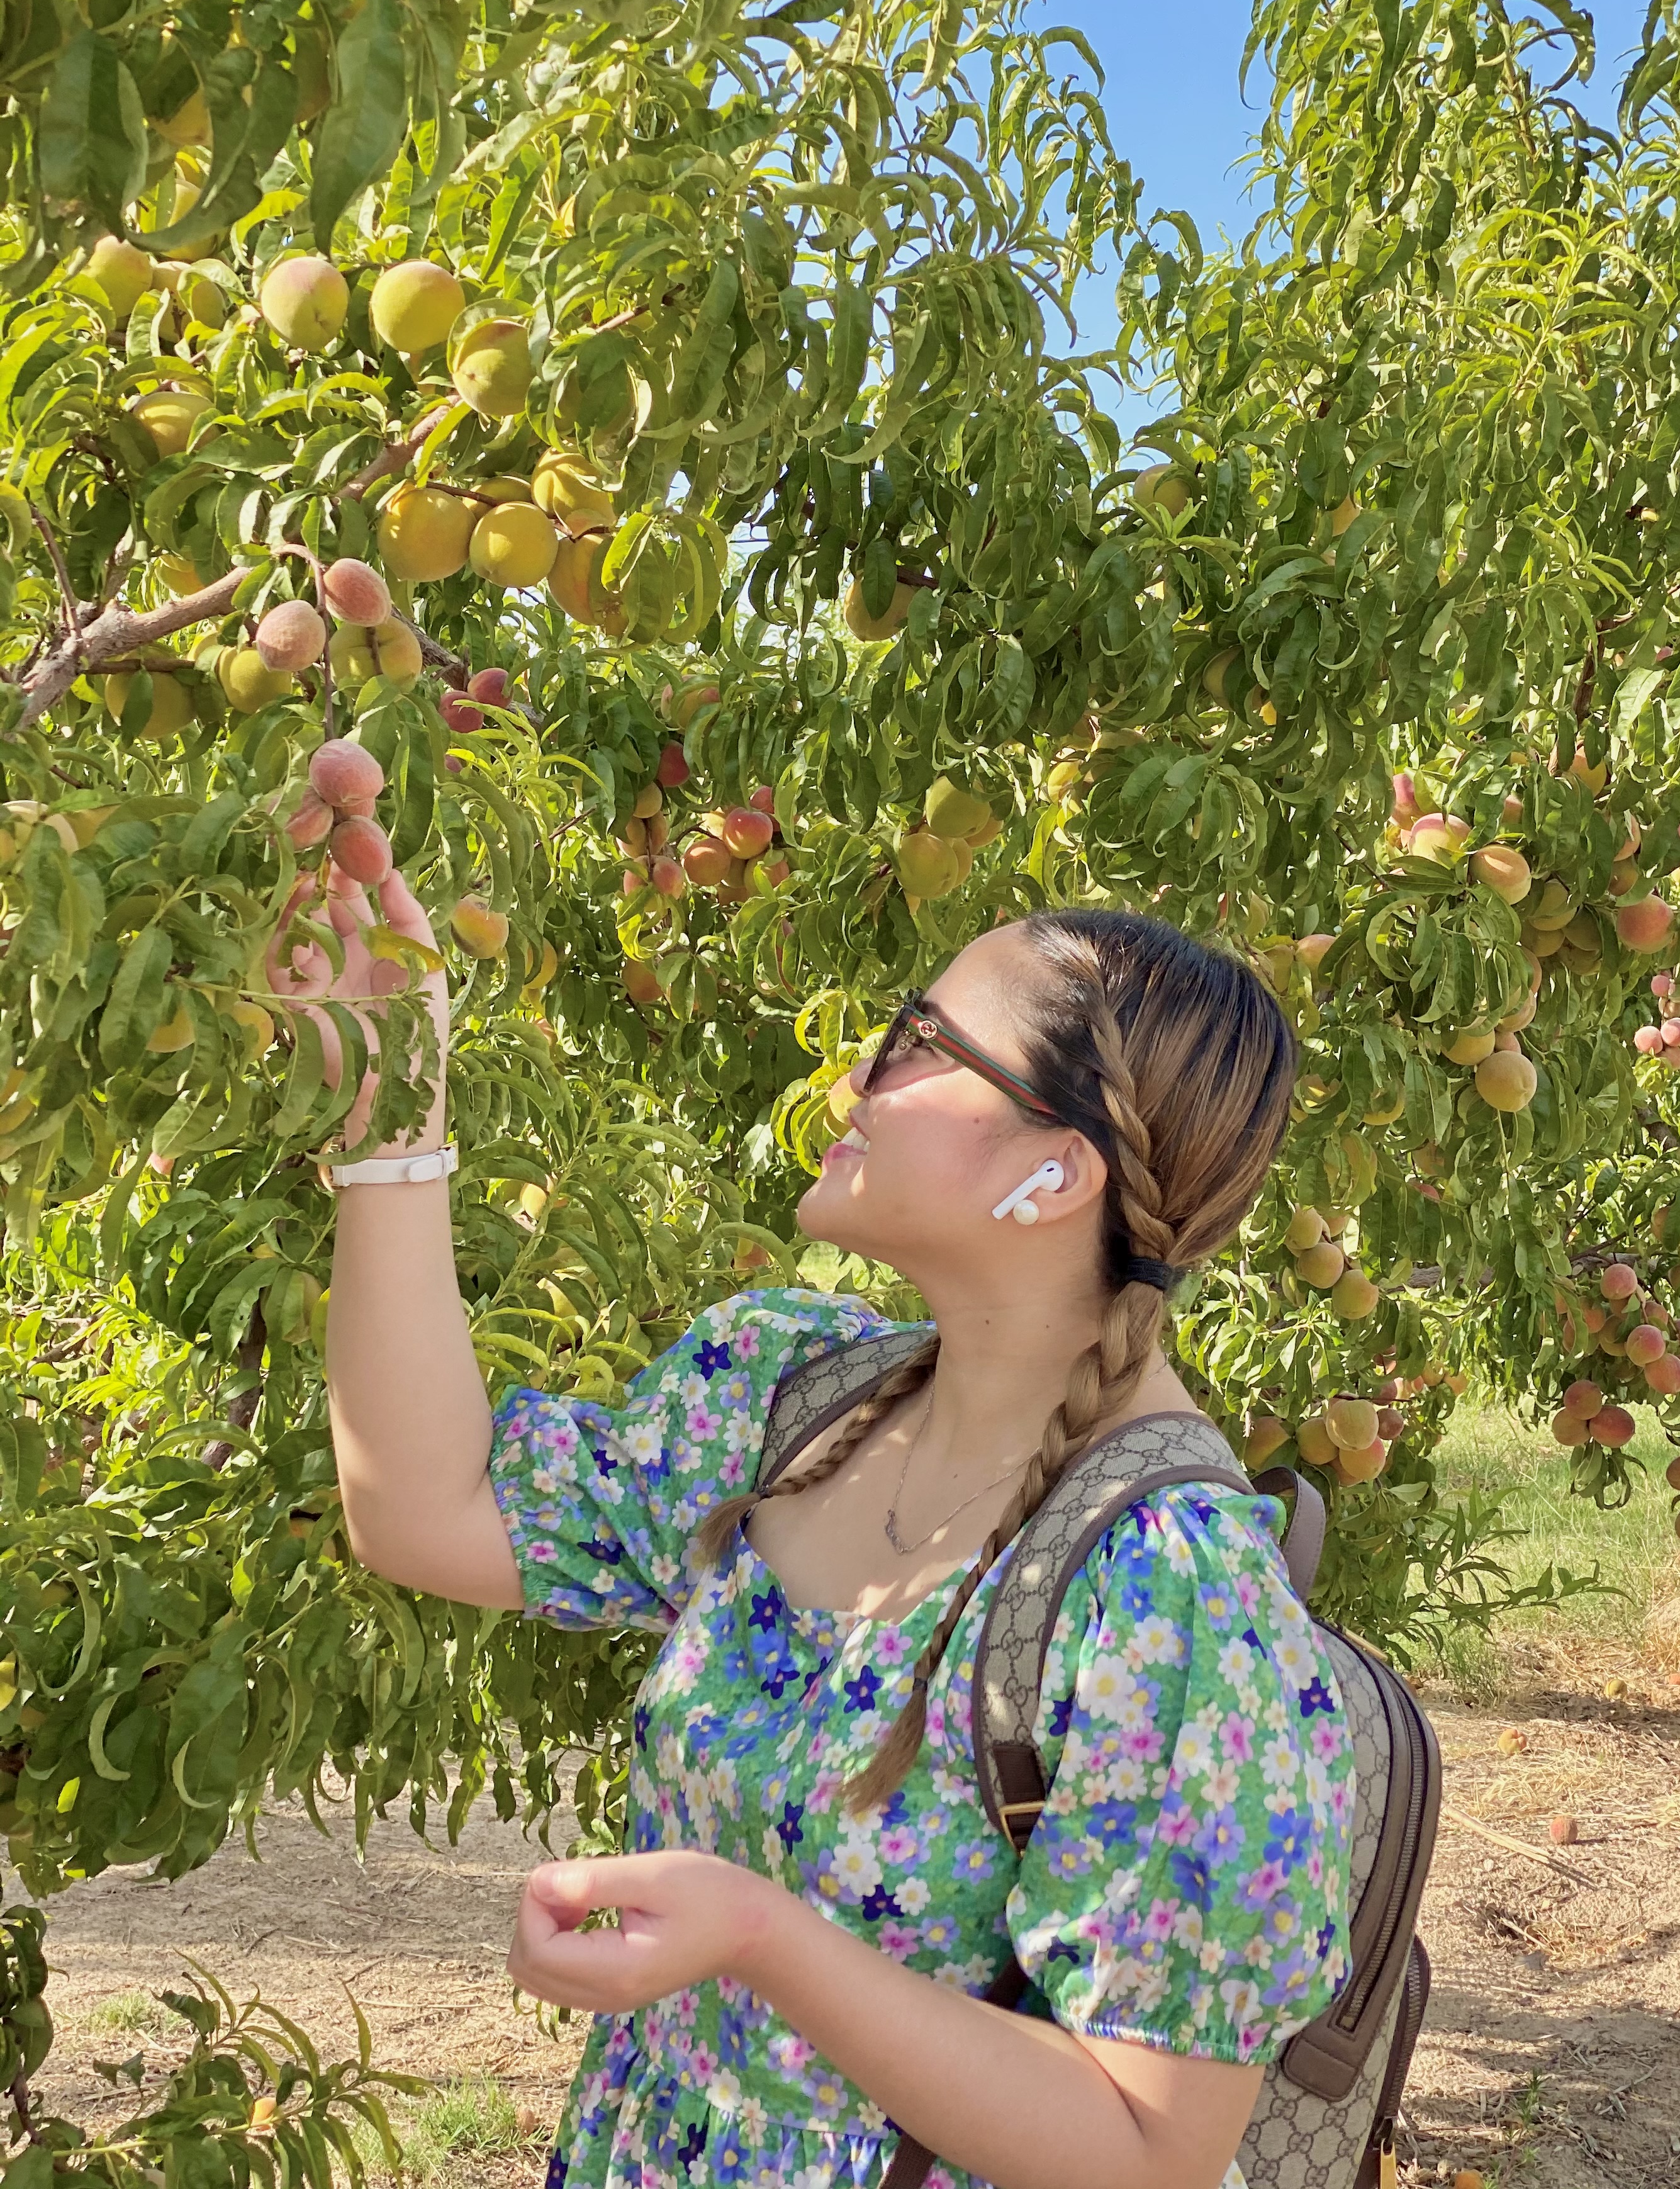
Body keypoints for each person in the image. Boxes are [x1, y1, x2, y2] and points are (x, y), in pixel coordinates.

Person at [285, 876, 1357, 2189]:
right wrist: (394, 1113)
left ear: (1053, 1171)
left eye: (919, 1041)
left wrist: (758, 1934)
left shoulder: (1173, 1598)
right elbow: (425, 1511)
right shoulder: (794, 1396)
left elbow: (1149, 2150)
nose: (860, 1070)